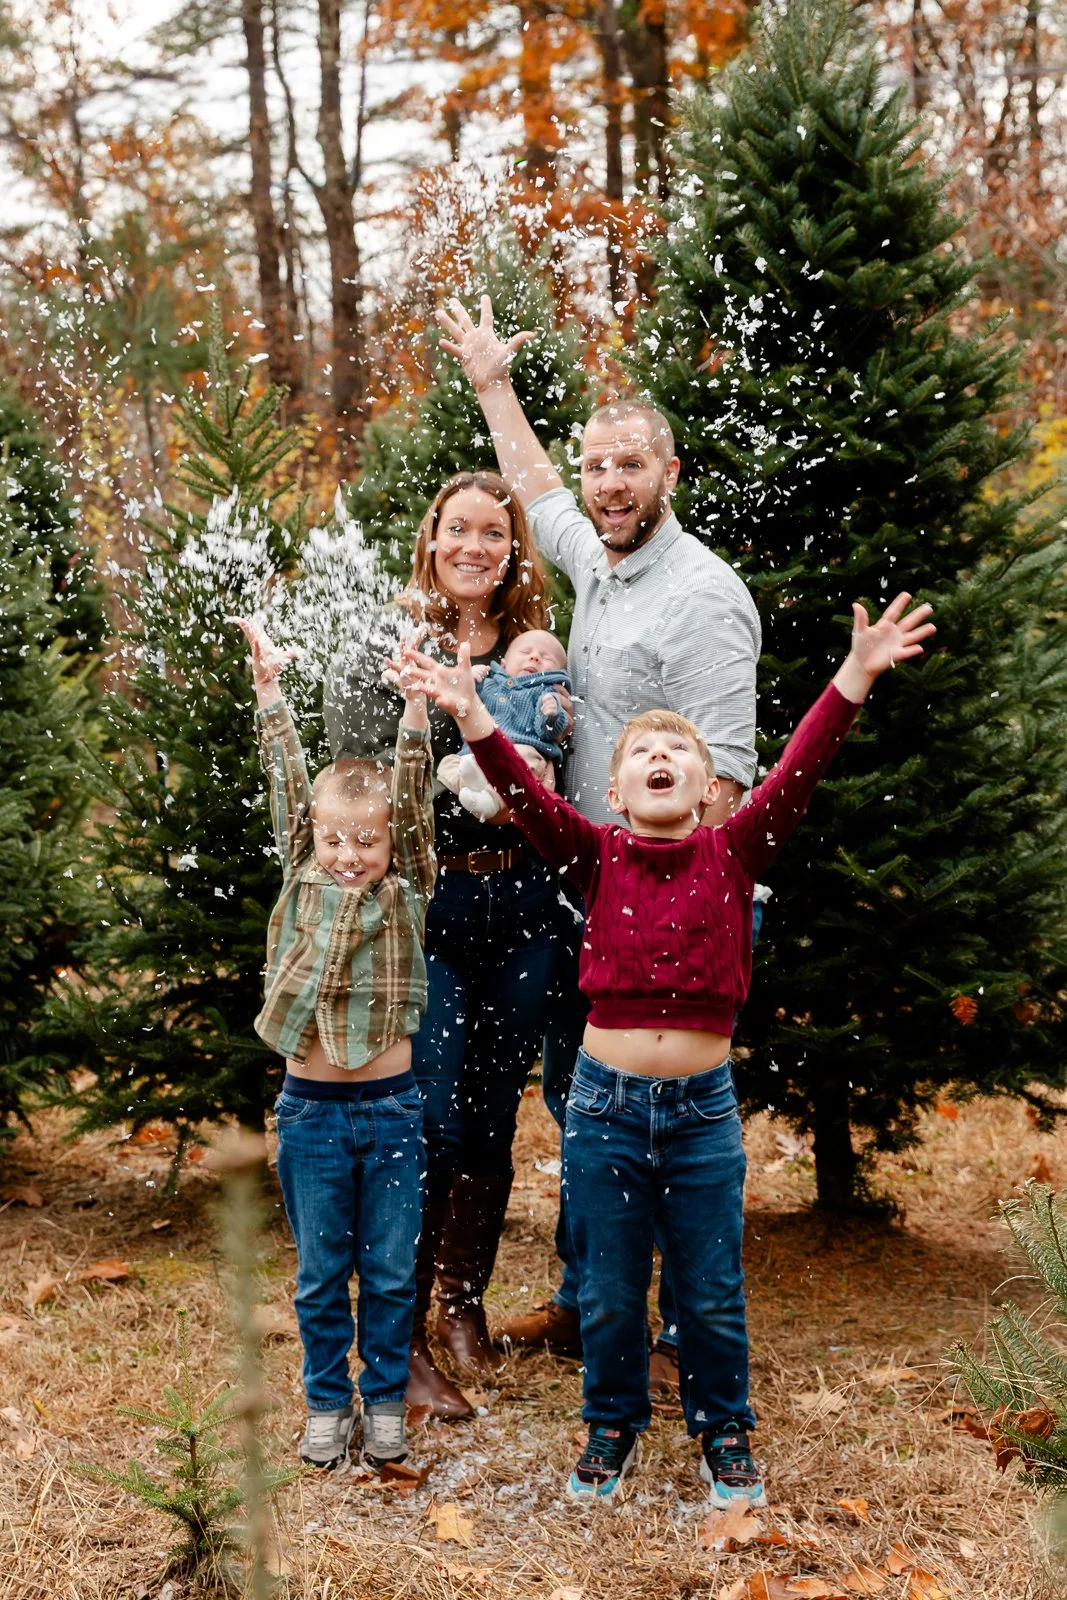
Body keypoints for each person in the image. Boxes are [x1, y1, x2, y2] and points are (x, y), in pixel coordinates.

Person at [405, 590, 934, 1505]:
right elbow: (526, 799)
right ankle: (609, 1427)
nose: (659, 757)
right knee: (608, 1291)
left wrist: (854, 676)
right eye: (641, 752)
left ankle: (724, 1433)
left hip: (699, 1116)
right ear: (613, 792)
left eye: (676, 751)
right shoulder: (592, 854)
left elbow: (801, 770)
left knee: (709, 1292)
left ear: (708, 784)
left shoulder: (735, 856)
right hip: (605, 1111)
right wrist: (474, 713)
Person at [438, 296, 761, 1383]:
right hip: (583, 893)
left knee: (662, 1108)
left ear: (667, 471)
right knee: (582, 1098)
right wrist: (490, 379)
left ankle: (669, 1336)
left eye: (628, 465)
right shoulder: (601, 562)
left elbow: (725, 784)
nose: (607, 485)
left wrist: (664, 905)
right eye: (595, 468)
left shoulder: (702, 600)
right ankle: (584, 1301)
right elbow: (528, 486)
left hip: (666, 906)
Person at [323, 471, 564, 1418]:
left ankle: (465, 1302)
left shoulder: (537, 655)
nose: (474, 546)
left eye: (493, 534)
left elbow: (554, 774)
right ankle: (404, 1334)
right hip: (429, 911)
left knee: (496, 1111)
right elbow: (356, 786)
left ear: (512, 552)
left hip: (526, 907)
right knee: (429, 1116)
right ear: (431, 540)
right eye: (456, 530)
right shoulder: (389, 648)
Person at [240, 618, 434, 1473]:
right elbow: (286, 783)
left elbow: (419, 805)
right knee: (322, 1277)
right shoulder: (300, 875)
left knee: (390, 1275)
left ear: (391, 844)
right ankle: (326, 1401)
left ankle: (383, 1399)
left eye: (366, 841)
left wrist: (418, 713)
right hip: (312, 1113)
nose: (348, 855)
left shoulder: (407, 889)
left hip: (390, 1111)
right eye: (333, 840)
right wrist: (271, 694)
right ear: (312, 839)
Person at [438, 626, 571, 818]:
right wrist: (468, 681)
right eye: (525, 652)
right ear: (504, 663)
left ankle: (492, 800)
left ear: (558, 672)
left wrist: (551, 715)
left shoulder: (544, 693)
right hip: (475, 755)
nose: (534, 657)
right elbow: (460, 707)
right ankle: (473, 786)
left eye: (546, 657)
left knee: (526, 763)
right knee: (447, 765)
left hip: (519, 751)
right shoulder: (488, 683)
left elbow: (548, 733)